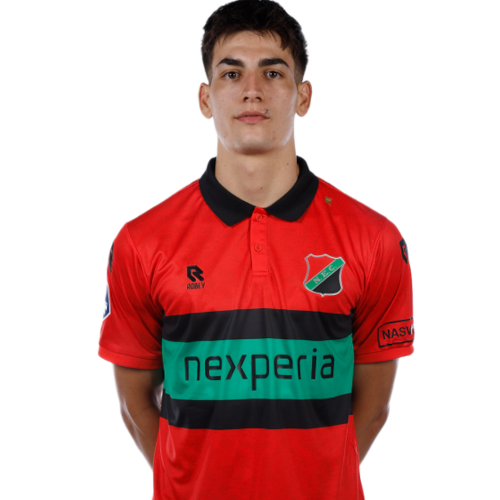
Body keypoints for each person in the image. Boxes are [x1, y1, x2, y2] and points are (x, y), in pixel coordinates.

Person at [96, 0, 415, 498]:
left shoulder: (374, 238)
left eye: (272, 72)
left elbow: (374, 407)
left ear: (303, 96)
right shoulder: (142, 241)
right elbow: (134, 403)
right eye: (231, 73)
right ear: (205, 99)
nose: (252, 90)